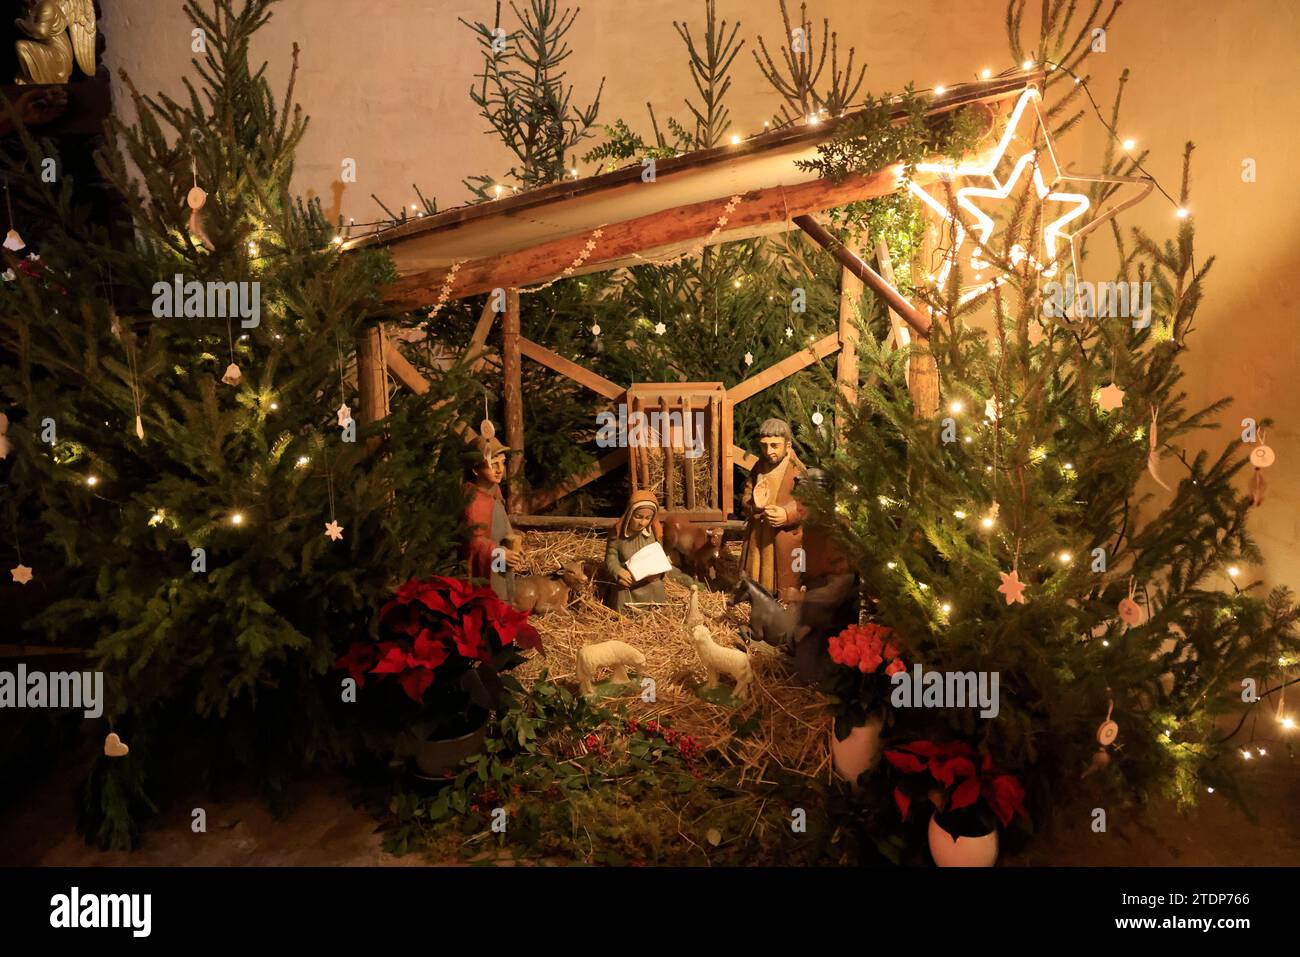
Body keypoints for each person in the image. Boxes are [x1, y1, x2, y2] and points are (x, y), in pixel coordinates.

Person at [789, 468, 859, 684]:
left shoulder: (837, 534)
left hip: (833, 618)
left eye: (805, 503)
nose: (798, 508)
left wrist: (804, 599)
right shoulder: (812, 527)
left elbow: (839, 589)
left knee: (811, 674)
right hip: (814, 611)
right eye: (798, 501)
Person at [740, 418, 807, 601]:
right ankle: (756, 590)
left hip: (784, 535)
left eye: (774, 446)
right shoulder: (758, 467)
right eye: (764, 446)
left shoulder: (797, 469)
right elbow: (745, 497)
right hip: (759, 533)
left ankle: (782, 593)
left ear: (788, 445)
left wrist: (786, 514)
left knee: (783, 571)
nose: (769, 452)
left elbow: (808, 502)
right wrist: (754, 505)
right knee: (758, 566)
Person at [604, 490, 692, 614]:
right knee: (622, 591)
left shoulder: (654, 534)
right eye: (638, 517)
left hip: (648, 579)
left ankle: (655, 612)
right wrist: (618, 572)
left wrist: (657, 574)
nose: (642, 522)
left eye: (647, 518)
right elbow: (610, 556)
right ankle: (626, 615)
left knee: (657, 586)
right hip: (627, 578)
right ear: (630, 513)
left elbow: (658, 558)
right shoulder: (617, 534)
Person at [464, 435, 522, 601]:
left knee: (503, 596)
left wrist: (513, 542)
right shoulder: (474, 501)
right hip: (488, 567)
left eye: (502, 462)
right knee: (493, 600)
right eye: (493, 464)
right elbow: (473, 542)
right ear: (476, 470)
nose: (500, 469)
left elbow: (500, 521)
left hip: (500, 566)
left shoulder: (494, 492)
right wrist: (498, 552)